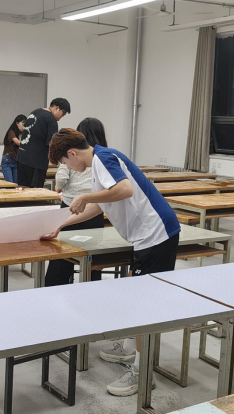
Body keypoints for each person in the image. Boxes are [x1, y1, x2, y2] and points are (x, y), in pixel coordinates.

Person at [41, 128, 181, 397]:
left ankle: (142, 372)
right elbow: (99, 206)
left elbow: (124, 190)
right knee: (136, 292)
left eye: (64, 162)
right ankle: (129, 349)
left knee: (146, 304)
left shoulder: (103, 158)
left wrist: (85, 196)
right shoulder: (100, 161)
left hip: (155, 235)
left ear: (72, 153)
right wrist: (61, 225)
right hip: (148, 235)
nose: (67, 167)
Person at [45, 118, 108, 286]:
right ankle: (92, 286)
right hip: (94, 210)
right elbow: (103, 198)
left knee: (62, 254)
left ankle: (56, 287)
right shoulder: (101, 157)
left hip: (70, 207)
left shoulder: (73, 154)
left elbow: (61, 178)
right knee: (92, 254)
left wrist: (60, 188)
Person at [17, 98, 71, 188]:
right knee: (36, 192)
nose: (62, 116)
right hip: (36, 162)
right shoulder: (51, 120)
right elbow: (53, 143)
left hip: (21, 157)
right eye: (63, 113)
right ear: (57, 108)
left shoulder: (35, 112)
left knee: (22, 189)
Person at [1, 114, 26, 183]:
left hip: (16, 160)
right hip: (7, 160)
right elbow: (18, 142)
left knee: (16, 184)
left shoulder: (22, 133)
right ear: (17, 123)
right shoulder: (11, 132)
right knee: (10, 184)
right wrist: (28, 144)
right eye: (23, 124)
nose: (24, 126)